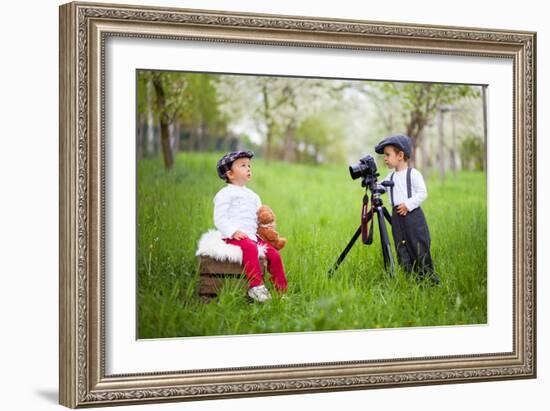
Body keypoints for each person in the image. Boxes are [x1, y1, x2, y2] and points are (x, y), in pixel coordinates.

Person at [213, 150, 288, 302]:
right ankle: (256, 286)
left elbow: (259, 217)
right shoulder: (225, 194)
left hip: (253, 236)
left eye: (249, 165)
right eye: (243, 166)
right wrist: (232, 231)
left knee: (274, 254)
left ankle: (281, 290)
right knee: (249, 247)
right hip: (232, 237)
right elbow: (219, 218)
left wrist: (268, 225)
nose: (248, 168)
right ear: (230, 174)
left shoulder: (253, 196)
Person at [374, 135, 440, 284]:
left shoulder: (413, 174)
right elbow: (381, 187)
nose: (385, 158)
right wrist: (373, 185)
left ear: (400, 155)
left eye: (387, 155)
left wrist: (408, 204)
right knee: (401, 248)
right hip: (397, 217)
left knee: (418, 247)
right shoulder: (390, 176)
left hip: (413, 217)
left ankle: (428, 279)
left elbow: (422, 193)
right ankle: (410, 279)